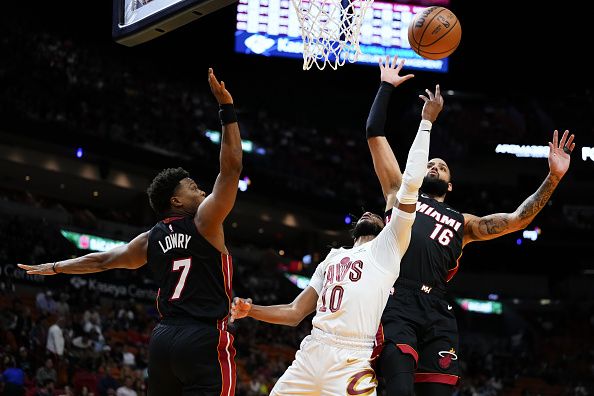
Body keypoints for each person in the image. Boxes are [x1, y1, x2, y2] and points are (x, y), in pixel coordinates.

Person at [19, 68, 243, 396]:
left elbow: (100, 262)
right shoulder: (204, 220)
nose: (200, 190)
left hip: (163, 342)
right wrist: (227, 109)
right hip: (202, 338)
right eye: (192, 187)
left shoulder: (149, 239)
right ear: (176, 201)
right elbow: (232, 168)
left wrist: (55, 267)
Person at [365, 56, 576, 395]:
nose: (434, 166)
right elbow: (374, 134)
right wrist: (385, 87)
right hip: (396, 300)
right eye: (430, 163)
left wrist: (553, 177)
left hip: (437, 312)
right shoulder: (398, 192)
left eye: (442, 166)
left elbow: (517, 220)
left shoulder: (464, 224)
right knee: (399, 390)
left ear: (449, 186)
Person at [231, 83, 444, 395]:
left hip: (352, 358)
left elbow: (410, 185)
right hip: (312, 350)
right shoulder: (332, 258)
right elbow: (294, 313)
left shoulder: (387, 248)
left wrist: (426, 123)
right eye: (365, 214)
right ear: (355, 226)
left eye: (376, 213)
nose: (371, 213)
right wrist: (252, 310)